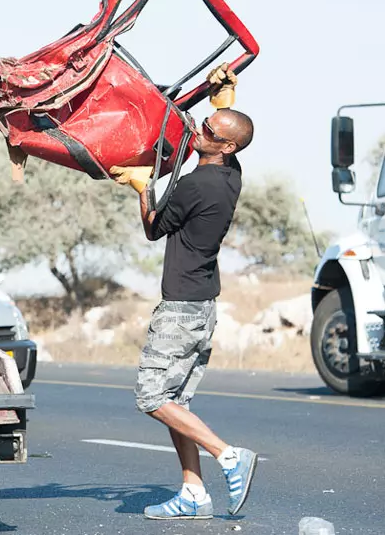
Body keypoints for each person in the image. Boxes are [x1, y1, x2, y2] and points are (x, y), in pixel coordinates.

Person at [110, 64, 257, 520]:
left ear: (226, 146)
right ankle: (194, 494)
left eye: (209, 131)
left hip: (180, 308)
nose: (199, 130)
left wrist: (142, 186)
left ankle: (229, 455)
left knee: (152, 397)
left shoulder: (196, 185)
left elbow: (154, 228)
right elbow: (223, 135)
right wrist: (223, 100)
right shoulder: (229, 175)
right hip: (203, 305)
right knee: (178, 402)